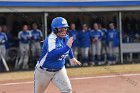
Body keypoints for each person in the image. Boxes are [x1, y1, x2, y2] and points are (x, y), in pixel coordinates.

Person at [34, 17, 81, 93]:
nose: (63, 31)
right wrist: (67, 47)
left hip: (59, 70)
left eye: (65, 28)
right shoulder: (51, 39)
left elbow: (68, 47)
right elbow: (53, 54)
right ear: (54, 29)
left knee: (67, 90)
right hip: (43, 72)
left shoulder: (65, 37)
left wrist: (72, 57)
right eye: (60, 29)